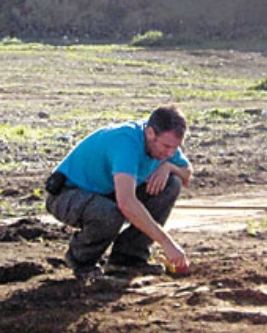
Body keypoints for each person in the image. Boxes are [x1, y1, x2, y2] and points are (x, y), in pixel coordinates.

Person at [45, 105, 193, 279]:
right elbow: (126, 203)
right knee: (109, 214)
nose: (170, 153)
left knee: (171, 183)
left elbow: (186, 174)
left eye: (174, 148)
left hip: (106, 192)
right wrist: (167, 244)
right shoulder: (126, 142)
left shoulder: (165, 145)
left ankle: (128, 258)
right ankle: (82, 260)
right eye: (166, 147)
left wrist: (169, 167)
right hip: (67, 194)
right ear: (151, 133)